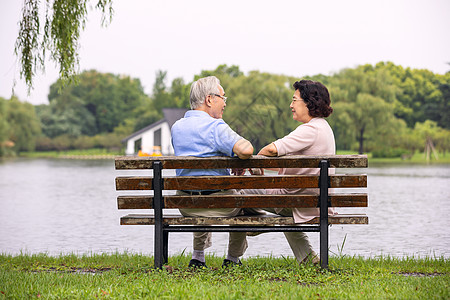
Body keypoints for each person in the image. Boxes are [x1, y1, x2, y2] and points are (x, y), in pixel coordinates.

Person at [245, 79, 336, 265]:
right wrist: (260, 167)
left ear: (309, 102)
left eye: (295, 100)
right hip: (313, 200)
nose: (291, 105)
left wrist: (255, 162)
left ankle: (255, 225)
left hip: (299, 201)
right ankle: (308, 260)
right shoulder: (324, 128)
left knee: (239, 192)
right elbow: (290, 166)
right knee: (285, 206)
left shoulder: (309, 130)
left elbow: (271, 149)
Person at [171, 76, 254, 268]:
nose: (225, 103)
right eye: (223, 97)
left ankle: (198, 257)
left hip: (186, 205)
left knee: (202, 192)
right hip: (220, 205)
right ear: (209, 100)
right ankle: (232, 259)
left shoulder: (177, 127)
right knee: (242, 200)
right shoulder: (216, 127)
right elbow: (246, 150)